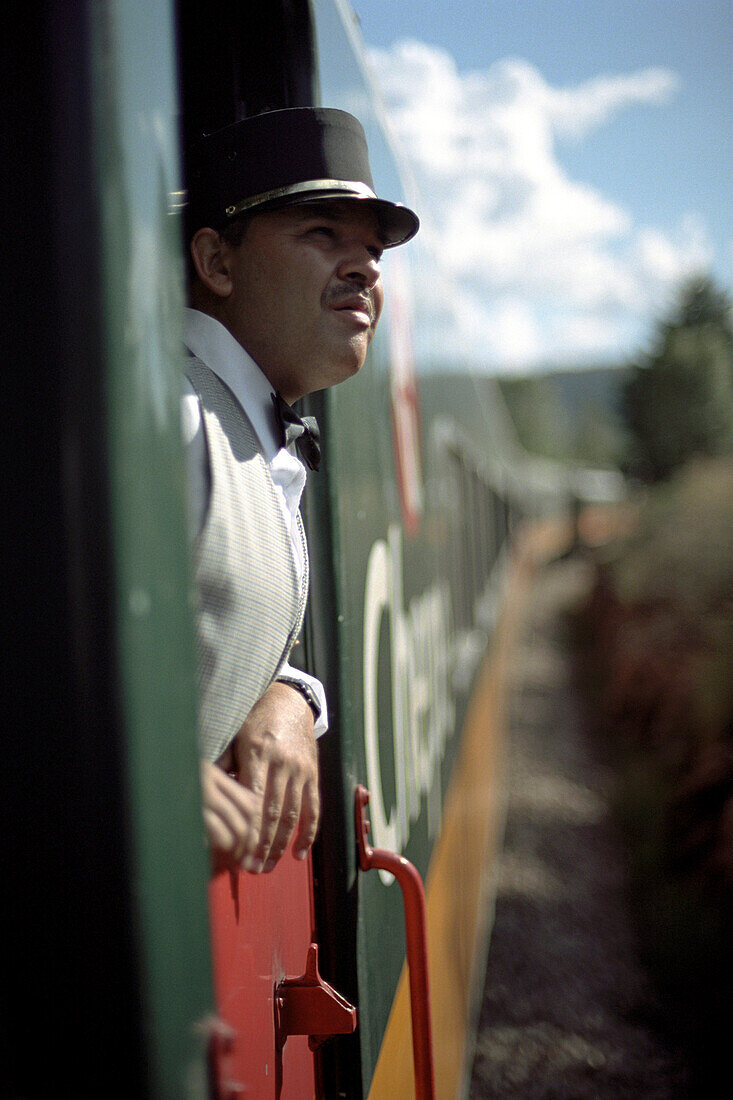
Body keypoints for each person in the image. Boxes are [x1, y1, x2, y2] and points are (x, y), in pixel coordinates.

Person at [180, 107, 419, 875]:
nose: (366, 268)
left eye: (373, 252)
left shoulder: (242, 423)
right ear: (217, 263)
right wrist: (138, 776)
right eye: (322, 235)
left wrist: (288, 694)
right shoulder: (169, 418)